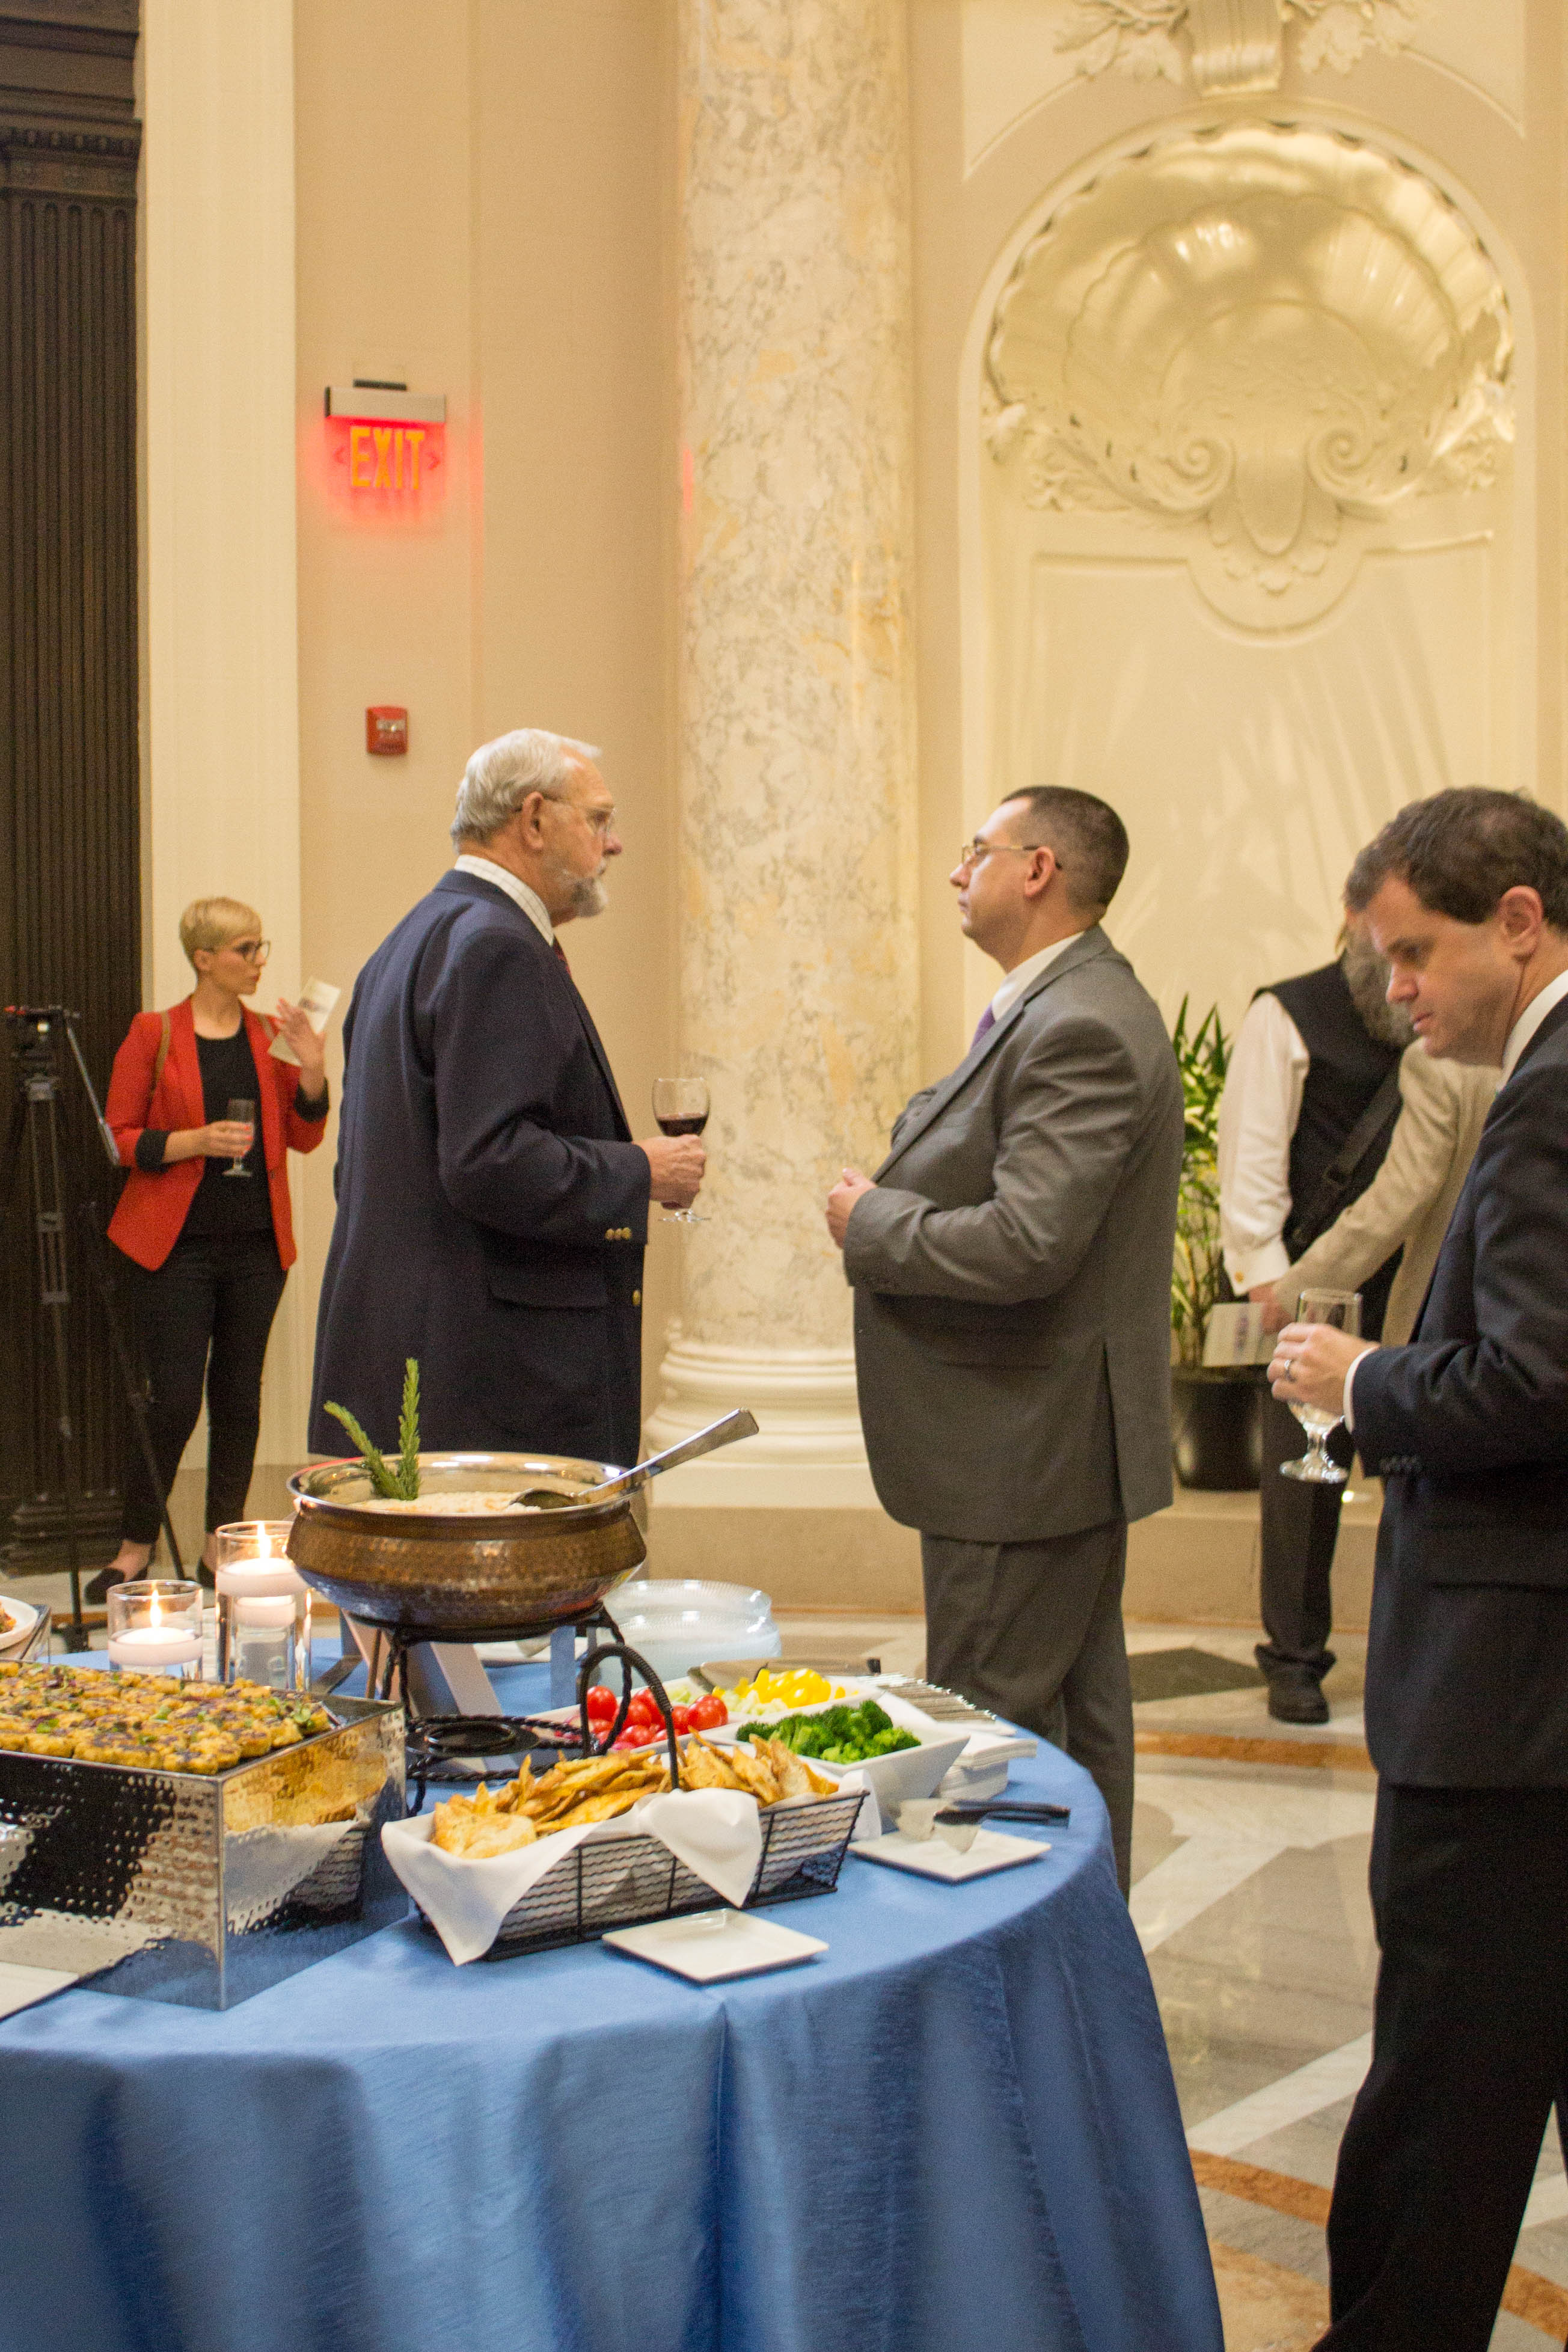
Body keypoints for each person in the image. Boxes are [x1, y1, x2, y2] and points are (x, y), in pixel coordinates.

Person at [1268, 788, 1568, 2351]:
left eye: (1411, 954)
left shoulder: (1552, 1091)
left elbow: (1533, 1381)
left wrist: (1361, 1382)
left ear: (1516, 922)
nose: (1393, 991)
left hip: (1509, 1701)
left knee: (1443, 2096)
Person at [826, 787, 1181, 1894]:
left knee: (994, 1739)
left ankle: (1003, 1976)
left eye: (975, 850)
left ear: (1037, 870)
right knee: (1069, 1726)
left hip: (1021, 1447)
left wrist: (870, 1222)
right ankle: (1078, 1963)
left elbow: (1029, 1243)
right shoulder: (1055, 1005)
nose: (956, 870)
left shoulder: (1081, 1022)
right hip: (1034, 1443)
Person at [308, 729, 703, 1469]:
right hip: (491, 1378)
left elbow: (366, 1169)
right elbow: (489, 1160)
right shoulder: (497, 944)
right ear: (534, 819)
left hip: (413, 1357)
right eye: (598, 819)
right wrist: (640, 1170)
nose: (614, 843)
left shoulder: (409, 940)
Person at [99, 898, 330, 1596]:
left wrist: (313, 1069)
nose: (259, 961)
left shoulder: (270, 1036)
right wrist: (194, 1141)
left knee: (238, 1400)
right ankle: (135, 1546)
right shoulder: (154, 1033)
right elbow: (118, 1138)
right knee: (172, 1402)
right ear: (204, 959)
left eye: (261, 947)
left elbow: (305, 1135)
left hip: (257, 1248)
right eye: (245, 949)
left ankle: (216, 1548)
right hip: (175, 1249)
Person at [1217, 917, 1409, 1724]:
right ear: (1352, 922)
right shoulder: (1289, 1012)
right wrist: (1271, 1288)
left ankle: (1410, 1655)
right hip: (1312, 1292)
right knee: (1305, 1483)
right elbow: (1251, 1161)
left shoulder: (1443, 1008)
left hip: (1414, 1290)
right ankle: (1294, 1659)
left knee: (1417, 1479)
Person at [1271, 1043, 1496, 1344]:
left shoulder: (1438, 1060)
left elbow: (1402, 1194)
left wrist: (1299, 1289)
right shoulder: (1544, 1049)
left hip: (1446, 1320)